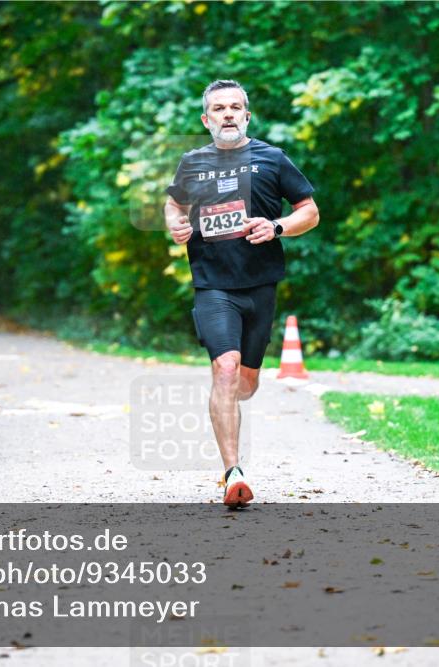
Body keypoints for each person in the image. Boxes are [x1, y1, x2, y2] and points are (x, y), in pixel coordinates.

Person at [164, 80, 319, 508]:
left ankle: (238, 396)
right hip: (212, 285)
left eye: (235, 107)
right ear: (206, 119)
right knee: (226, 370)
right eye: (219, 108)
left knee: (246, 383)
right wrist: (174, 223)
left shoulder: (271, 158)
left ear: (246, 116)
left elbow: (310, 211)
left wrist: (278, 226)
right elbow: (174, 205)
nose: (227, 114)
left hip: (260, 284)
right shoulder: (192, 163)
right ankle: (233, 472)